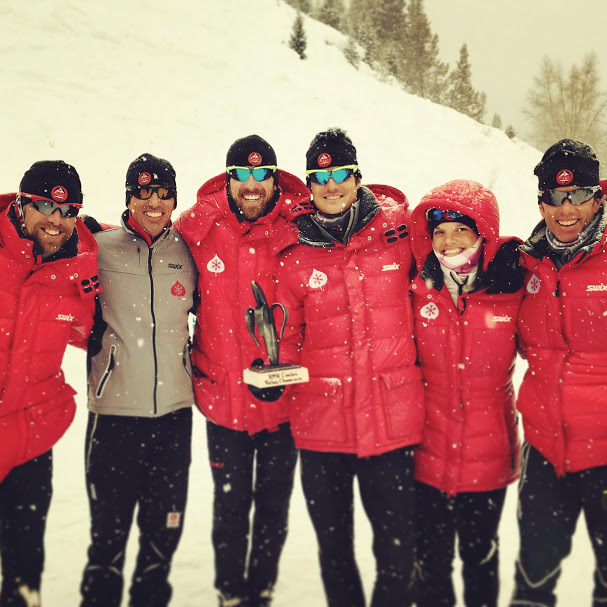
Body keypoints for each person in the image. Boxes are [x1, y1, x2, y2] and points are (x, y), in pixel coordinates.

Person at [275, 127, 425, 607]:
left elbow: (456, 250)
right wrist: (270, 374)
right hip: (322, 426)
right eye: (320, 176)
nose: (331, 184)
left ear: (358, 177)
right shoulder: (293, 252)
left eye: (340, 173)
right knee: (334, 550)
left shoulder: (399, 234)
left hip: (393, 421)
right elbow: (285, 337)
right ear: (310, 183)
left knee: (399, 553)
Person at [174, 135, 312, 607]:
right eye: (243, 176)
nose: (252, 185)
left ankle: (263, 590)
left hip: (285, 402)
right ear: (229, 180)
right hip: (223, 396)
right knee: (230, 505)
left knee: (274, 505)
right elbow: (147, 246)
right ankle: (230, 593)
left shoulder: (302, 225)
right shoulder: (198, 228)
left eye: (262, 175)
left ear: (275, 179)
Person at [79, 153, 197, 607]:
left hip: (173, 417)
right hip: (113, 419)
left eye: (163, 193)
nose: (154, 202)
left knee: (159, 548)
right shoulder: (99, 247)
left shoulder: (188, 253)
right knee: (106, 546)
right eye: (143, 191)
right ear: (129, 196)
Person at [408, 180, 524, 607]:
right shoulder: (417, 289)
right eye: (439, 231)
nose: (449, 240)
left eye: (461, 229)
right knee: (430, 563)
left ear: (482, 234)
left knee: (480, 559)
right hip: (426, 453)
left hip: (487, 454)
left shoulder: (510, 289)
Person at [510, 139, 607, 606]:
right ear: (541, 201)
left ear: (597, 198)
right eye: (554, 196)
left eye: (578, 195)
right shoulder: (527, 263)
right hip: (545, 447)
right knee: (532, 580)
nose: (566, 208)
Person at [0, 160, 98, 605]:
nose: (55, 220)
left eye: (68, 210)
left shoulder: (80, 266)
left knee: (24, 575)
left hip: (30, 439)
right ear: (21, 203)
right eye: (44, 206)